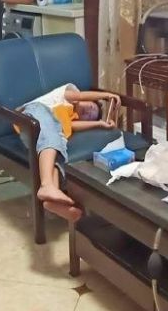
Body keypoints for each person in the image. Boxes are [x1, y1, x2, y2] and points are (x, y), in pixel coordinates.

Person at [20, 83, 121, 222]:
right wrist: (107, 95)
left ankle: (52, 201)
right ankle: (47, 185)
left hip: (35, 134)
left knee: (58, 153)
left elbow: (71, 125)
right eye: (91, 107)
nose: (88, 112)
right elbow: (79, 96)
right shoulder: (67, 97)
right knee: (53, 136)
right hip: (33, 113)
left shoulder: (66, 119)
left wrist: (99, 123)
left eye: (90, 116)